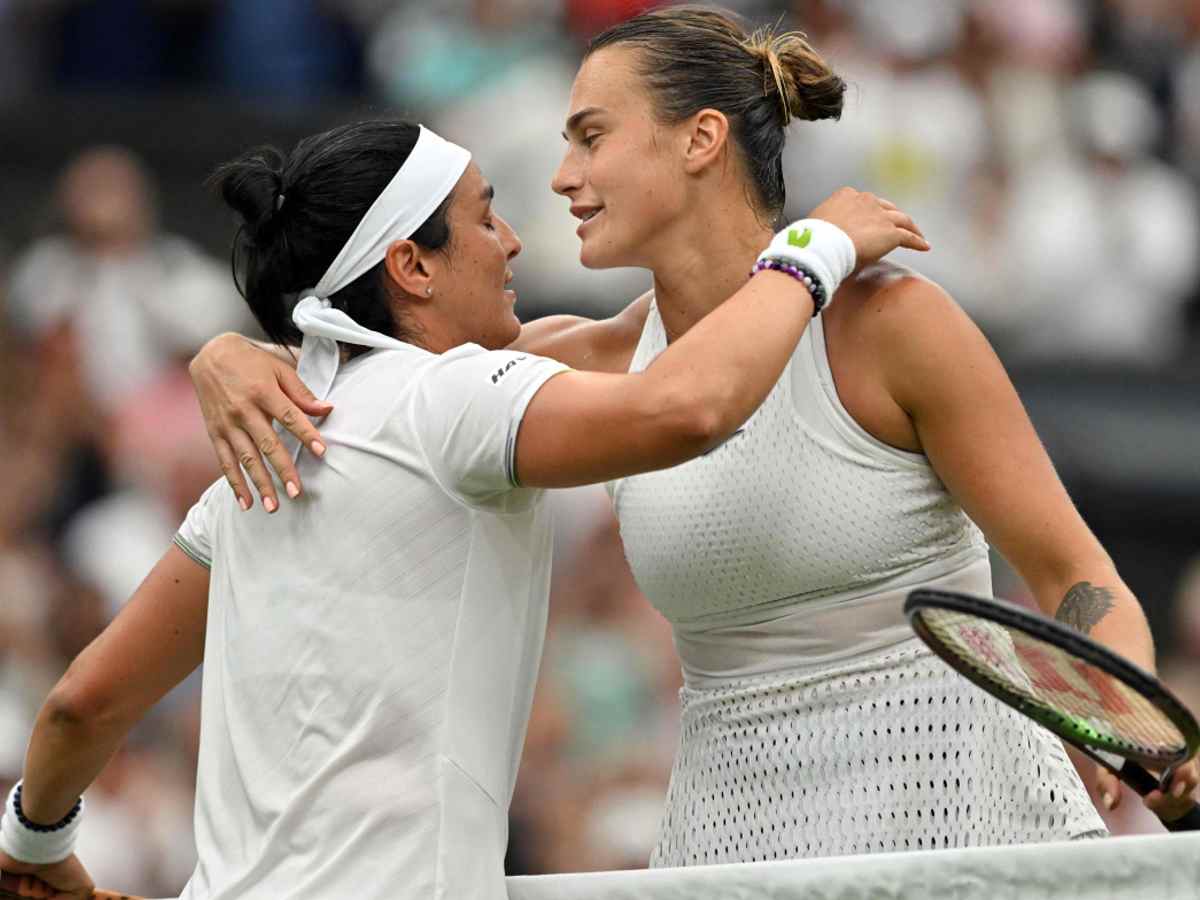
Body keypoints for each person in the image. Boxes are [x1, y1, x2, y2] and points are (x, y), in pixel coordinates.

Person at [192, 5, 1200, 862]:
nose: (558, 176)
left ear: (699, 140)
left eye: (590, 136)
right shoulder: (579, 361)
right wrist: (236, 356)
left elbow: (1079, 576)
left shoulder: (896, 326)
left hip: (964, 819)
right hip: (732, 840)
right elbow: (372, 379)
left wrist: (1121, 717)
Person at [0, 117, 920, 899]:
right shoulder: (450, 401)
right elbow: (689, 406)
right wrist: (816, 247)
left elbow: (82, 706)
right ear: (411, 266)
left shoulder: (253, 465)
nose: (513, 240)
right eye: (485, 218)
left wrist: (36, 849)